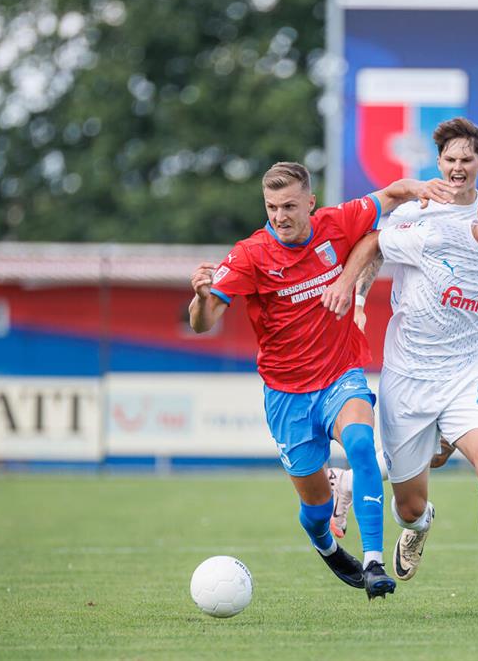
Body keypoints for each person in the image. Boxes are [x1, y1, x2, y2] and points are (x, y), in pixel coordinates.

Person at [189, 162, 454, 600]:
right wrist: (200, 299)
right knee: (316, 508)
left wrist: (420, 187)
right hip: (287, 395)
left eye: (289, 206)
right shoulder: (250, 255)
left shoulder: (337, 223)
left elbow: (390, 196)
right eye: (272, 207)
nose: (280, 216)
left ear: (310, 203)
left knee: (361, 446)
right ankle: (325, 545)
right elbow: (203, 323)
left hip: (340, 375)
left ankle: (373, 563)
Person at [328, 168, 478, 617]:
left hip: (466, 377)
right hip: (408, 380)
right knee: (409, 507)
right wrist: (349, 290)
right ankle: (419, 524)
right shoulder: (434, 236)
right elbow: (374, 241)